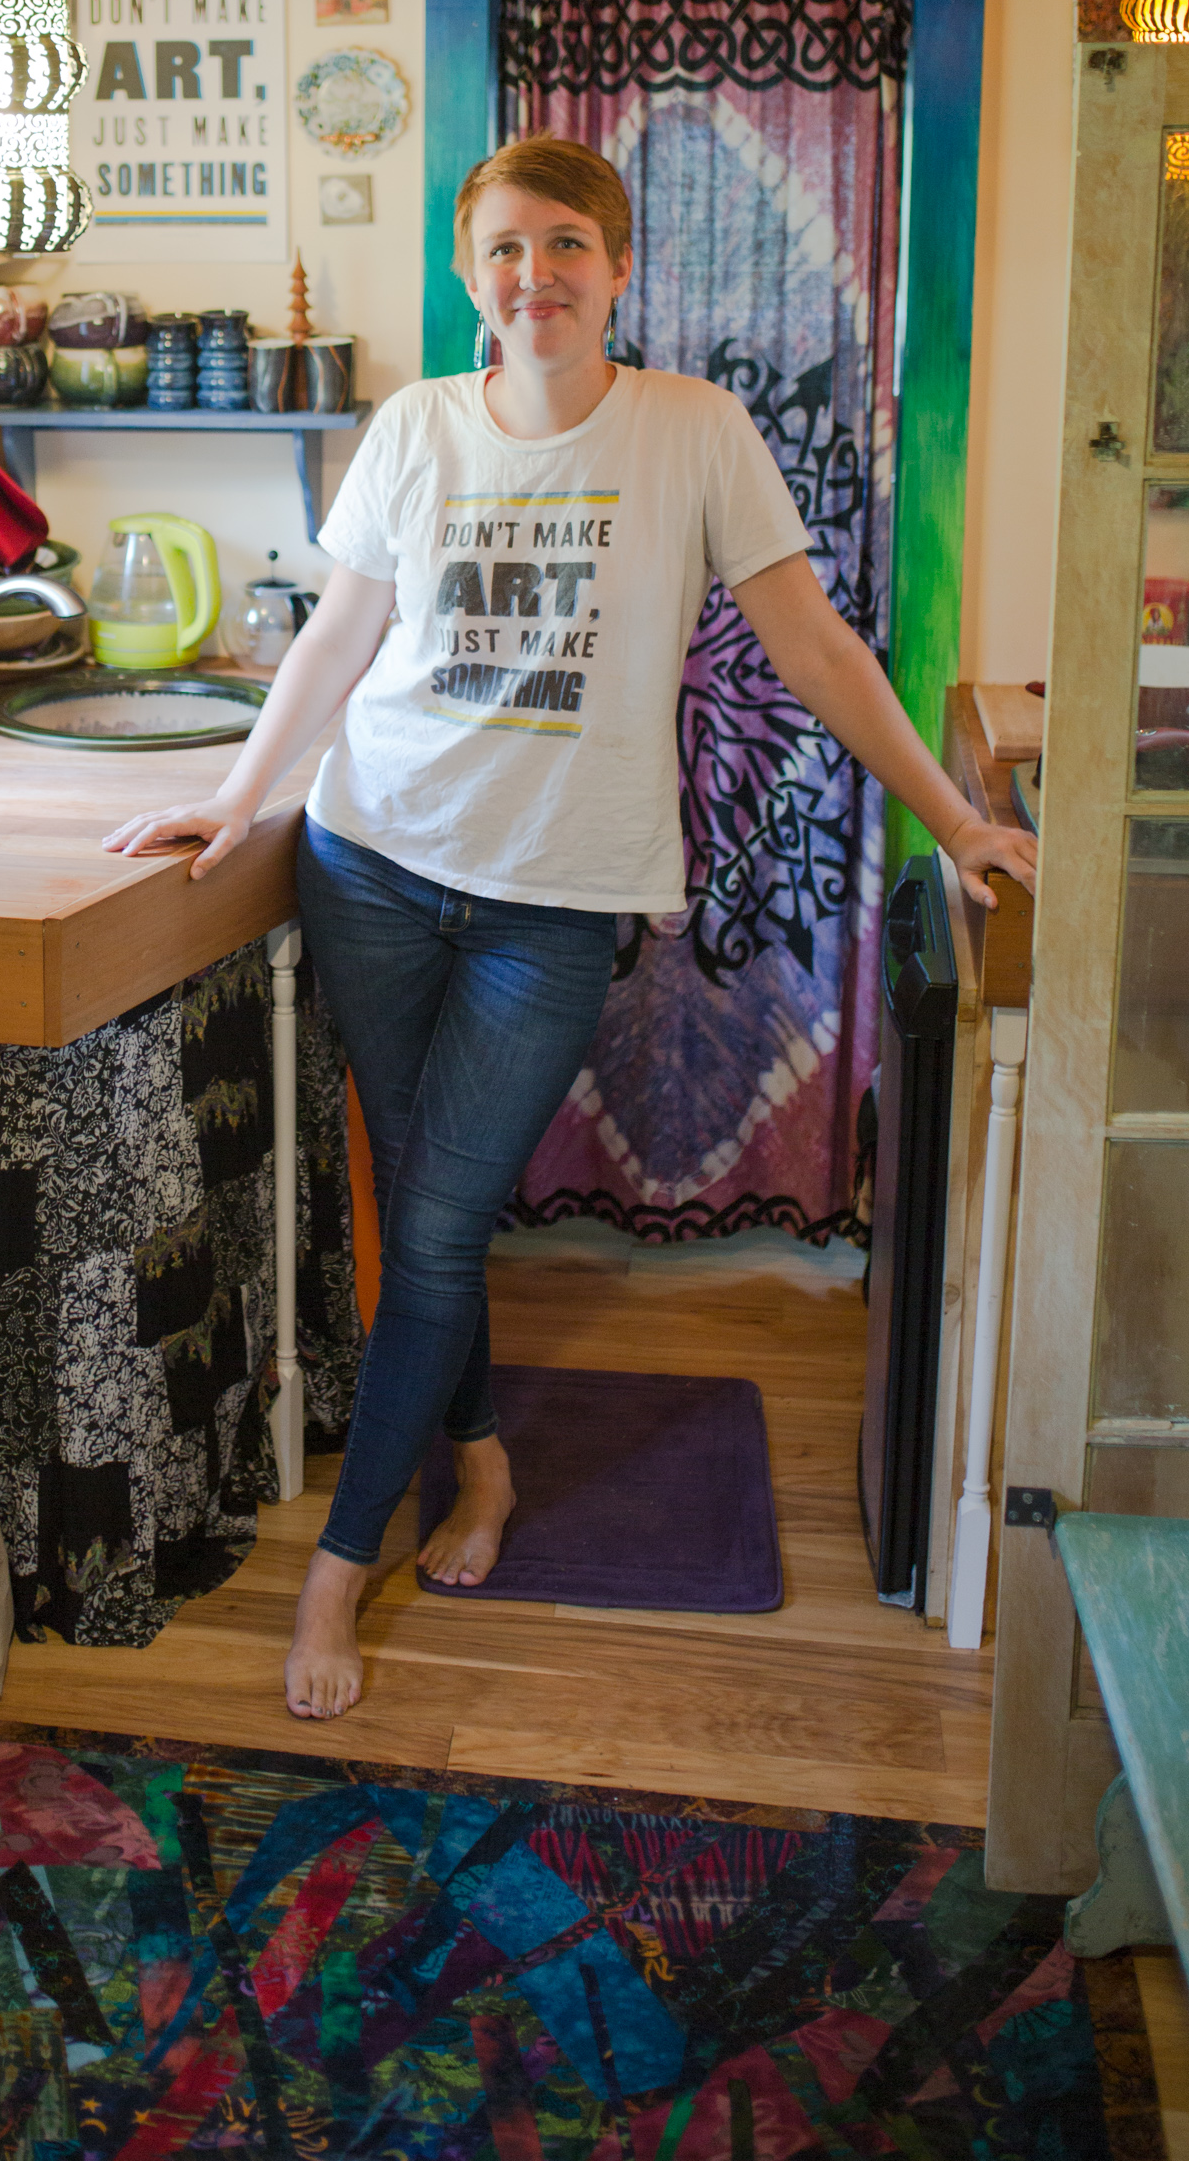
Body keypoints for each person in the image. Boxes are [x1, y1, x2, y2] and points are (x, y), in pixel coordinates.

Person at [104, 134, 1037, 1722]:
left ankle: (337, 1574)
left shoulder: (692, 432)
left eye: (563, 246)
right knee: (424, 1214)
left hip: (556, 897)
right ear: (470, 280)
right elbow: (343, 635)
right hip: (373, 859)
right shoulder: (414, 428)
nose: (533, 276)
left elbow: (812, 644)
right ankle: (480, 1471)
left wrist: (954, 819)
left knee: (446, 1230)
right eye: (503, 253)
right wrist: (249, 800)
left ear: (618, 268)